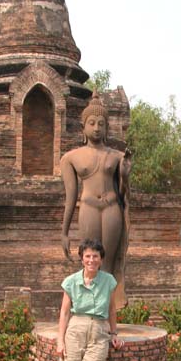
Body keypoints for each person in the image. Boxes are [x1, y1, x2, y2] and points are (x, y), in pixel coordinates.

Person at [60, 92, 132, 309]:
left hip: (111, 209)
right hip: (89, 208)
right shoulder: (70, 158)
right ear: (83, 126)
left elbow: (122, 193)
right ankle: (89, 308)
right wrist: (64, 232)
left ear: (107, 127)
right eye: (92, 123)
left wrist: (125, 175)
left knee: (108, 263)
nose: (97, 127)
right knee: (90, 260)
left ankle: (108, 313)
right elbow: (70, 197)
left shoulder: (117, 156)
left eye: (101, 123)